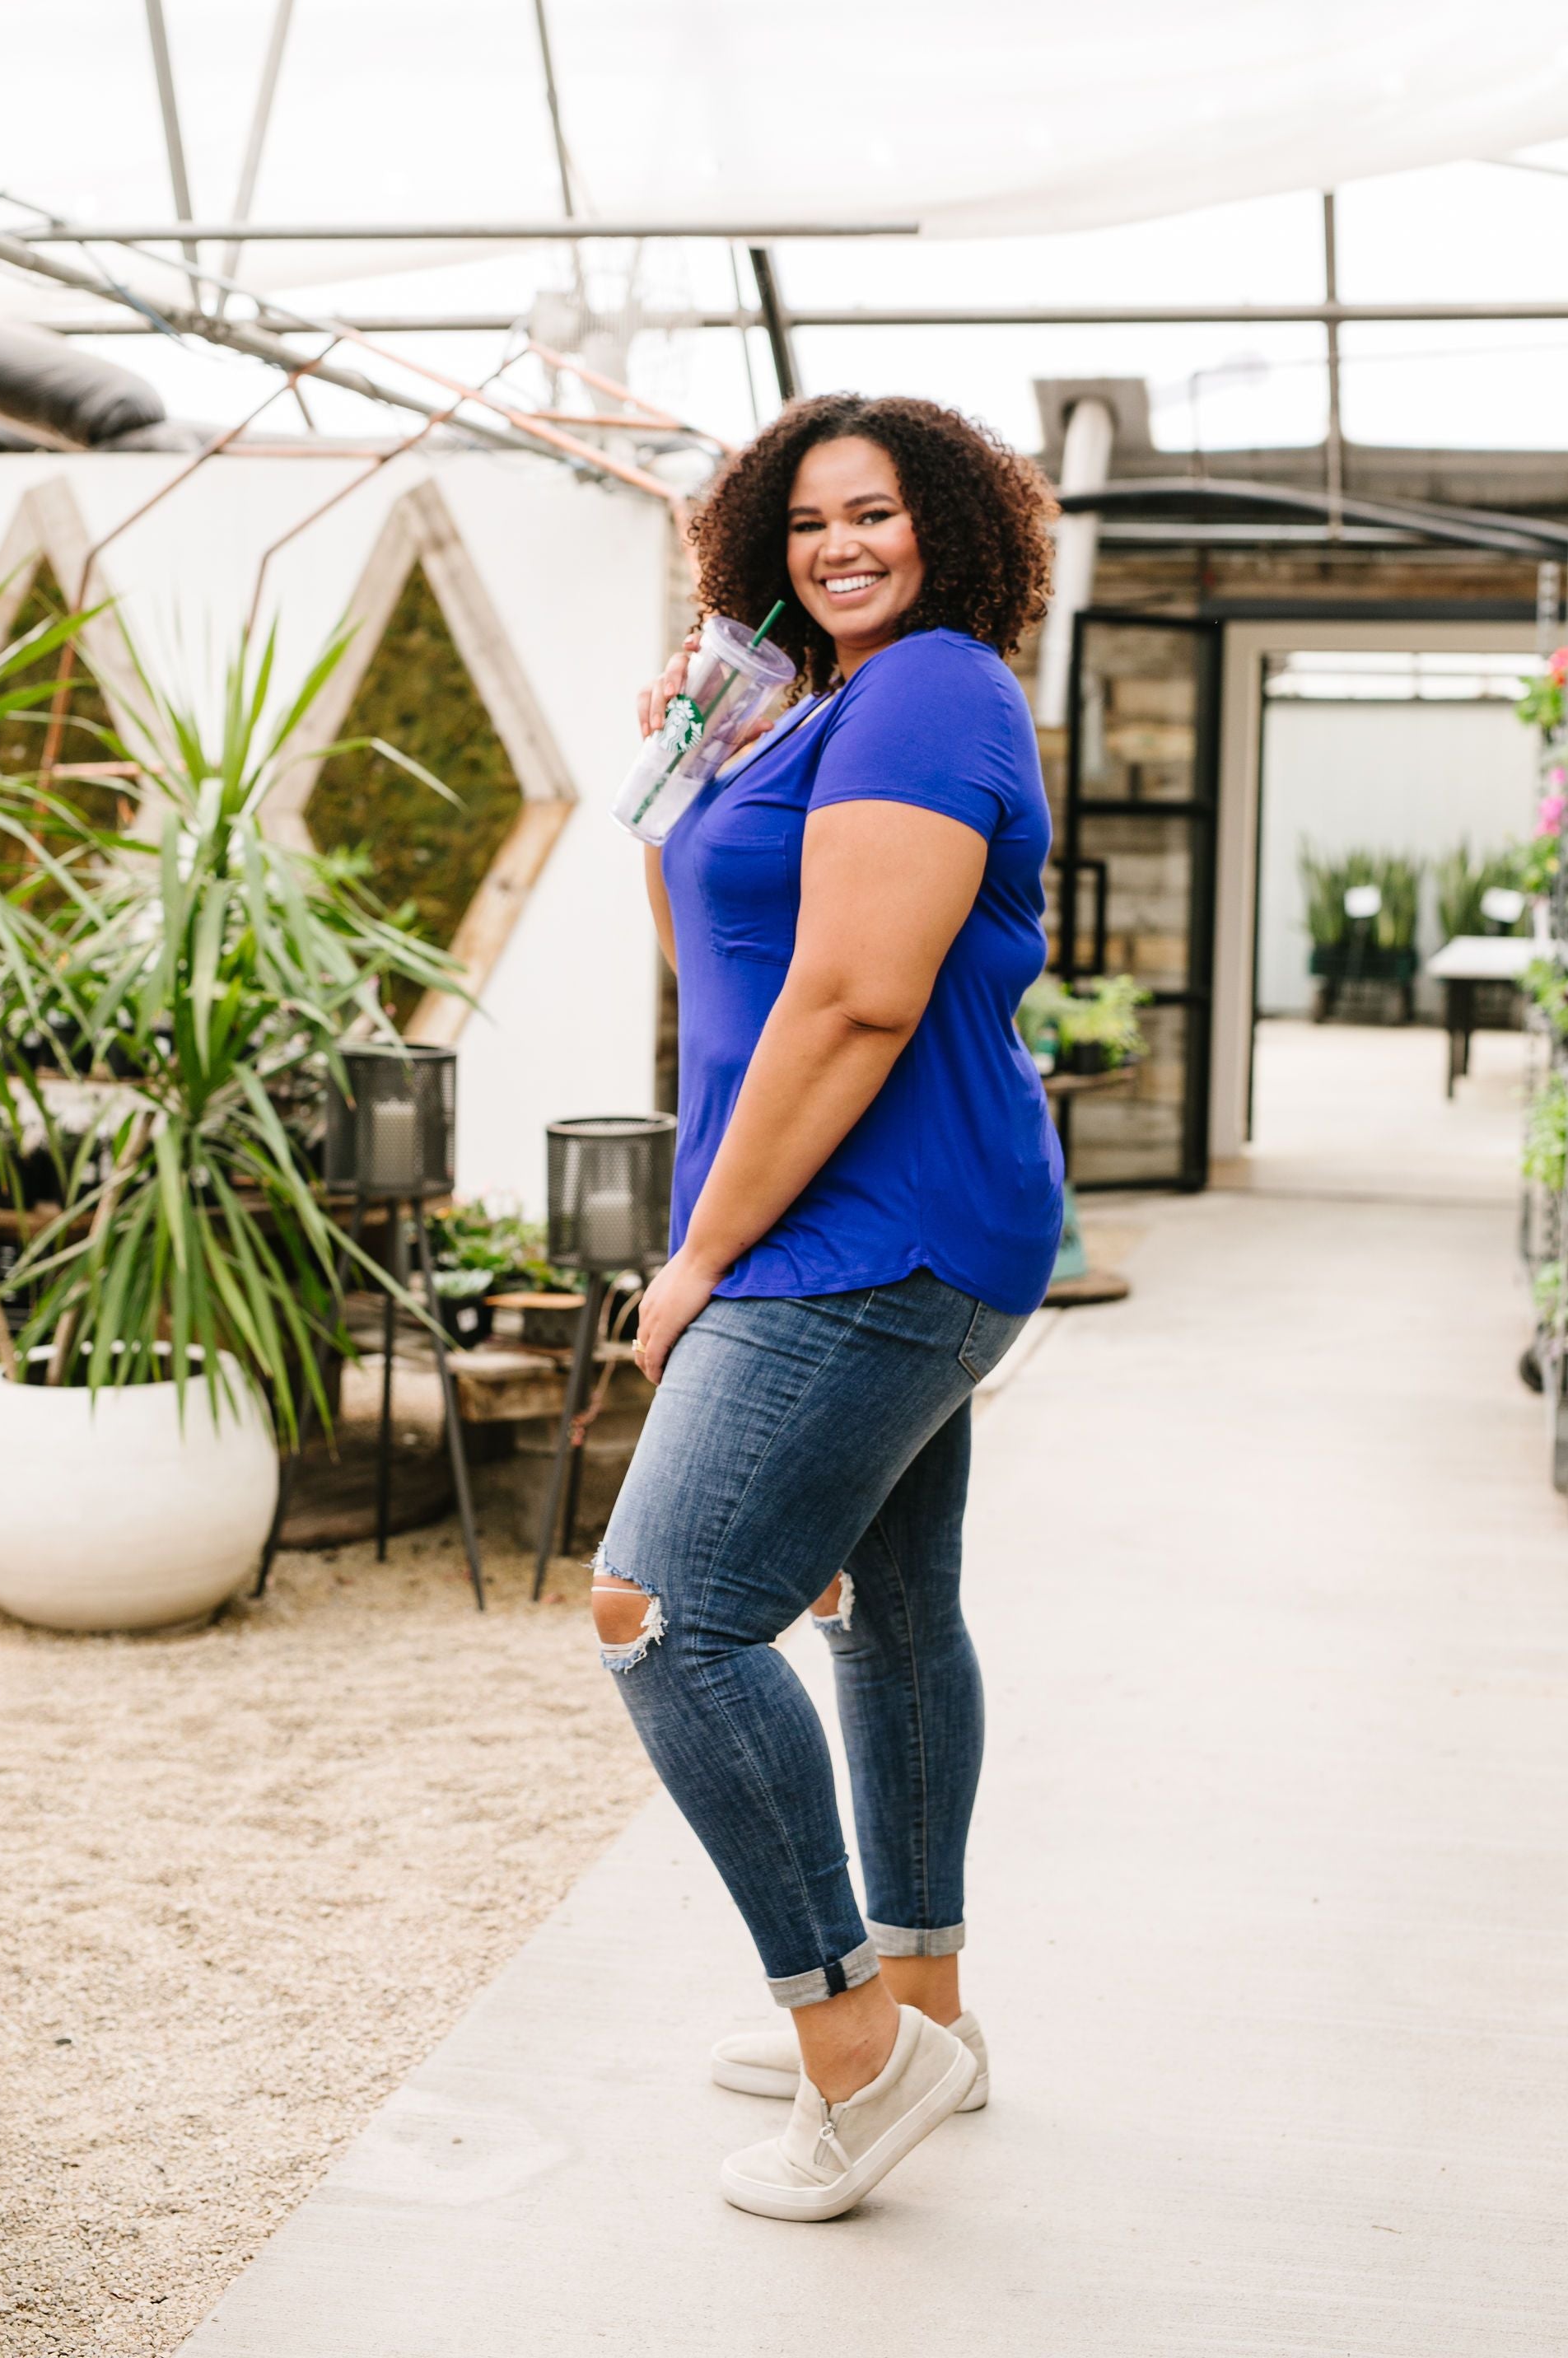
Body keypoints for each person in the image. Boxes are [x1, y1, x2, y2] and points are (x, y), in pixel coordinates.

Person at [594, 392, 1063, 2221]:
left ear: (944, 526)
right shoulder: (826, 711)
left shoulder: (934, 689)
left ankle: (856, 2050)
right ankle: (926, 2001)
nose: (837, 546)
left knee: (666, 1612)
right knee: (883, 1610)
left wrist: (700, 1253)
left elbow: (859, 998)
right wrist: (686, 778)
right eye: (804, 523)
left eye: (873, 512)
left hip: (868, 1234)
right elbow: (723, 961)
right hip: (863, 1221)